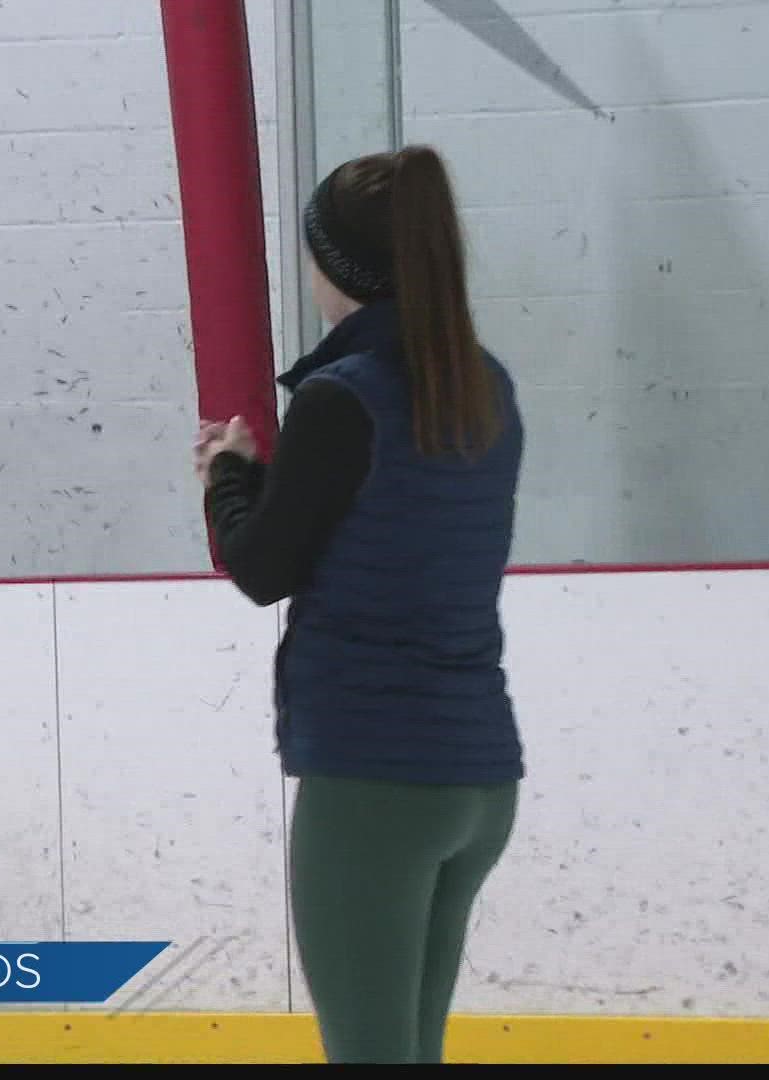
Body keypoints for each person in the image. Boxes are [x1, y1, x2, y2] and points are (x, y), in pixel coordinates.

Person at [193, 145, 526, 1065]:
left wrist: (226, 480)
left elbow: (261, 566)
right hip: (478, 775)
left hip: (376, 781)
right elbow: (383, 523)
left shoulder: (346, 398)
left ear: (333, 266)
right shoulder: (485, 385)